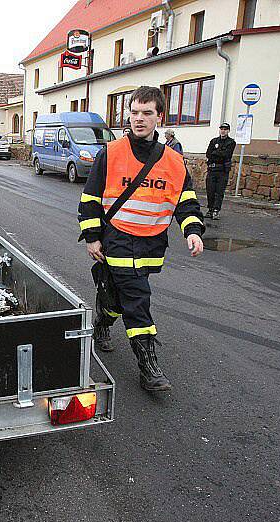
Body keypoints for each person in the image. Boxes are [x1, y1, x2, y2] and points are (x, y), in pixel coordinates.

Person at [78, 86, 205, 392]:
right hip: (117, 239)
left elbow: (185, 201)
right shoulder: (110, 153)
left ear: (159, 117)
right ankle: (148, 365)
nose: (138, 119)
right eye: (134, 112)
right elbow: (90, 198)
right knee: (137, 301)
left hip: (151, 244)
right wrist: (93, 237)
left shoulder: (174, 162)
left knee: (117, 298)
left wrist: (193, 231)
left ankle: (103, 322)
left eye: (147, 113)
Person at [205, 123, 236, 220]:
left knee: (219, 191)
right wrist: (218, 152)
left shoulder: (231, 142)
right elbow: (208, 153)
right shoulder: (214, 141)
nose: (223, 131)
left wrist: (216, 152)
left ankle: (216, 210)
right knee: (210, 190)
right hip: (212, 169)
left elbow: (226, 155)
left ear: (228, 131)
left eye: (225, 129)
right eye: (222, 129)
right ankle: (210, 209)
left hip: (222, 171)